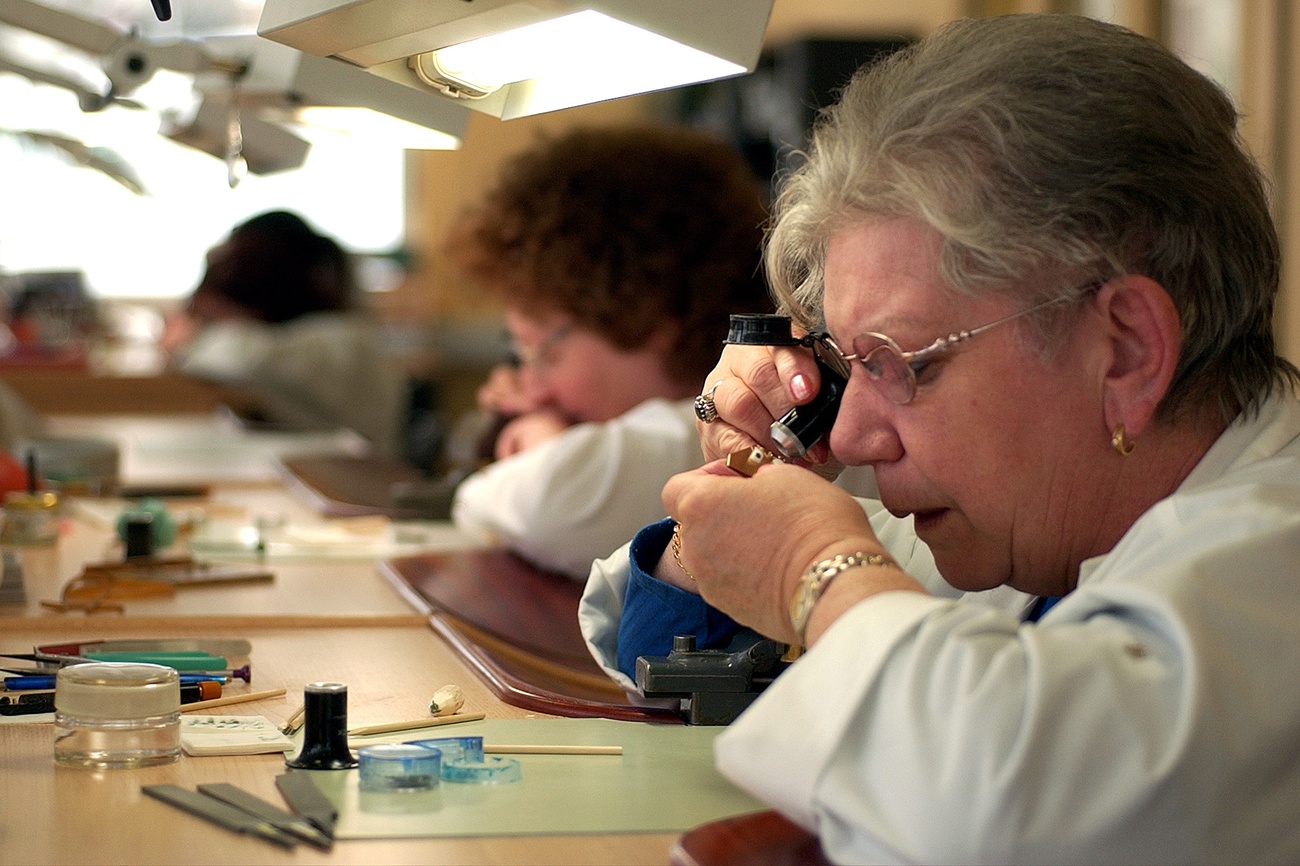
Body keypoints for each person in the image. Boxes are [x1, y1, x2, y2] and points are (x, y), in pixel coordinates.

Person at [579, 13, 1300, 864]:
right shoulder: (1031, 534)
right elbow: (682, 654)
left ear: (1126, 351)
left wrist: (814, 569)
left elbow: (1003, 809)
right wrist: (735, 505)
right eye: (846, 363)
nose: (851, 434)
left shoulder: (1273, 570)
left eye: (898, 362)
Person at [447, 124, 773, 578]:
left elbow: (547, 502)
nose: (533, 385)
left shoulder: (720, 436)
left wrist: (543, 443)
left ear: (646, 315)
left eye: (544, 353)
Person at [163, 210, 407, 458]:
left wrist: (189, 341)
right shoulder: (318, 336)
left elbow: (246, 359)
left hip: (359, 477)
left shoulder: (342, 341)